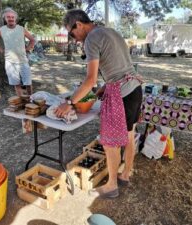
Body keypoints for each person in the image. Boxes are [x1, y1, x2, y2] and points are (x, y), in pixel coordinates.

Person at [55, 9, 143, 198]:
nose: (74, 39)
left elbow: (90, 80)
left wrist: (70, 102)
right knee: (129, 135)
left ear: (78, 24)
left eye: (72, 33)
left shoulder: (91, 39)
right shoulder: (110, 31)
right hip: (135, 89)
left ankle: (111, 185)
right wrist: (106, 85)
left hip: (122, 95)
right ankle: (125, 174)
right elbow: (119, 65)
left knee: (110, 143)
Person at [0, 8, 35, 96]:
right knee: (16, 83)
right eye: (8, 17)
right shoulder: (1, 30)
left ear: (15, 18)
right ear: (5, 19)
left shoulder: (21, 29)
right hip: (10, 62)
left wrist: (28, 49)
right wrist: (2, 51)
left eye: (12, 17)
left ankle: (31, 99)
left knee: (28, 83)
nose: (10, 18)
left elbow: (32, 40)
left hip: (23, 60)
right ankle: (21, 101)